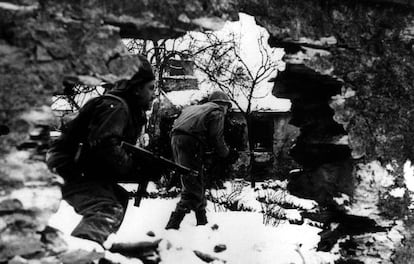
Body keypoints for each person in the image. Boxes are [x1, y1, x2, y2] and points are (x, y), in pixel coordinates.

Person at [47, 55, 157, 247]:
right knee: (106, 208)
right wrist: (135, 169)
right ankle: (81, 254)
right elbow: (105, 146)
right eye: (151, 87)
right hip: (69, 168)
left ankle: (94, 248)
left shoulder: (126, 108)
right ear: (137, 88)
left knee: (119, 199)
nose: (153, 94)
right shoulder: (116, 107)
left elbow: (109, 150)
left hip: (78, 166)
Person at [165, 90, 238, 230]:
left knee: (193, 179)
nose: (227, 111)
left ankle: (202, 222)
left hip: (175, 140)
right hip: (191, 141)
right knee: (193, 181)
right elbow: (216, 138)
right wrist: (227, 154)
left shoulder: (194, 109)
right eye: (228, 107)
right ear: (223, 104)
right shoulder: (217, 111)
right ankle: (173, 225)